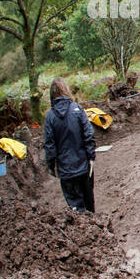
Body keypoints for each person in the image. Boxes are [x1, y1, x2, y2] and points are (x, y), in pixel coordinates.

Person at [43, 78, 96, 212]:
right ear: (65, 90)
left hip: (66, 171)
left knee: (75, 207)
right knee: (89, 201)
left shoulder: (50, 117)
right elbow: (88, 134)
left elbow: (50, 145)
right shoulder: (77, 109)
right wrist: (91, 157)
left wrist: (51, 166)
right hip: (84, 166)